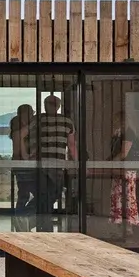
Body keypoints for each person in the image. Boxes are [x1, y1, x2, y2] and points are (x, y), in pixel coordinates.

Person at [33, 93, 77, 231]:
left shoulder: (39, 119)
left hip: (50, 165)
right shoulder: (65, 121)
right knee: (49, 194)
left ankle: (37, 220)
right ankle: (43, 223)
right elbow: (71, 146)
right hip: (51, 165)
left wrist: (76, 163)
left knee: (50, 194)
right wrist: (76, 162)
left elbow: (71, 146)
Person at [108, 113, 139, 240]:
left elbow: (124, 152)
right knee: (117, 197)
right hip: (118, 169)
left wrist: (111, 162)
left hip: (126, 170)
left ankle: (127, 227)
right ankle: (119, 225)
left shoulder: (129, 133)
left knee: (127, 197)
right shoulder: (118, 133)